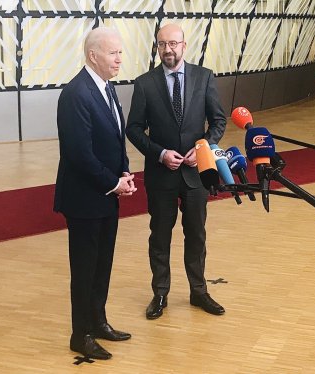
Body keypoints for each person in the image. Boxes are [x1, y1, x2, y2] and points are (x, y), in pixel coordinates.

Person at [126, 23, 226, 320]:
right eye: (161, 44)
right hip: (161, 175)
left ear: (184, 45)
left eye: (173, 44)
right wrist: (159, 153)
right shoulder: (144, 83)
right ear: (157, 47)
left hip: (196, 175)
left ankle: (199, 291)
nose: (167, 49)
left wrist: (204, 148)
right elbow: (133, 129)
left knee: (196, 234)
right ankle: (160, 294)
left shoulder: (204, 77)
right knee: (159, 235)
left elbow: (218, 122)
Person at [54, 27, 137, 360]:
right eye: (113, 53)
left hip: (106, 195)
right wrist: (113, 182)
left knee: (102, 265)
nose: (119, 58)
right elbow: (79, 153)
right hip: (85, 200)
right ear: (93, 55)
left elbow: (115, 140)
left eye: (120, 52)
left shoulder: (106, 87)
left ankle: (98, 322)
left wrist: (124, 172)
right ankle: (81, 334)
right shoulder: (76, 94)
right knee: (85, 269)